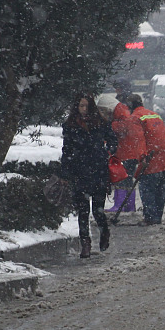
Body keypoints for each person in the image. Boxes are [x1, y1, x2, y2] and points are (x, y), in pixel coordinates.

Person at [60, 93, 118, 259]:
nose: (84, 110)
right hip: (79, 172)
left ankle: (104, 232)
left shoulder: (101, 123)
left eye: (86, 106)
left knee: (98, 210)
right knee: (83, 211)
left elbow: (113, 141)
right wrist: (65, 172)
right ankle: (85, 243)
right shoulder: (70, 125)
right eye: (81, 106)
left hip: (98, 171)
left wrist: (107, 151)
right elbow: (66, 150)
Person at [127, 94, 165, 225]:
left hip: (151, 160)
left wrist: (142, 157)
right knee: (160, 190)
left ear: (130, 106)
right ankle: (157, 217)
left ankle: (150, 218)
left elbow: (138, 139)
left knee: (147, 189)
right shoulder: (154, 115)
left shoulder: (135, 118)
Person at [107, 100, 145, 214]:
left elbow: (121, 130)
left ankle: (120, 205)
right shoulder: (127, 116)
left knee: (122, 179)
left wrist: (111, 124)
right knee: (128, 180)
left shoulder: (122, 120)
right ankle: (129, 205)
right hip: (131, 153)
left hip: (126, 154)